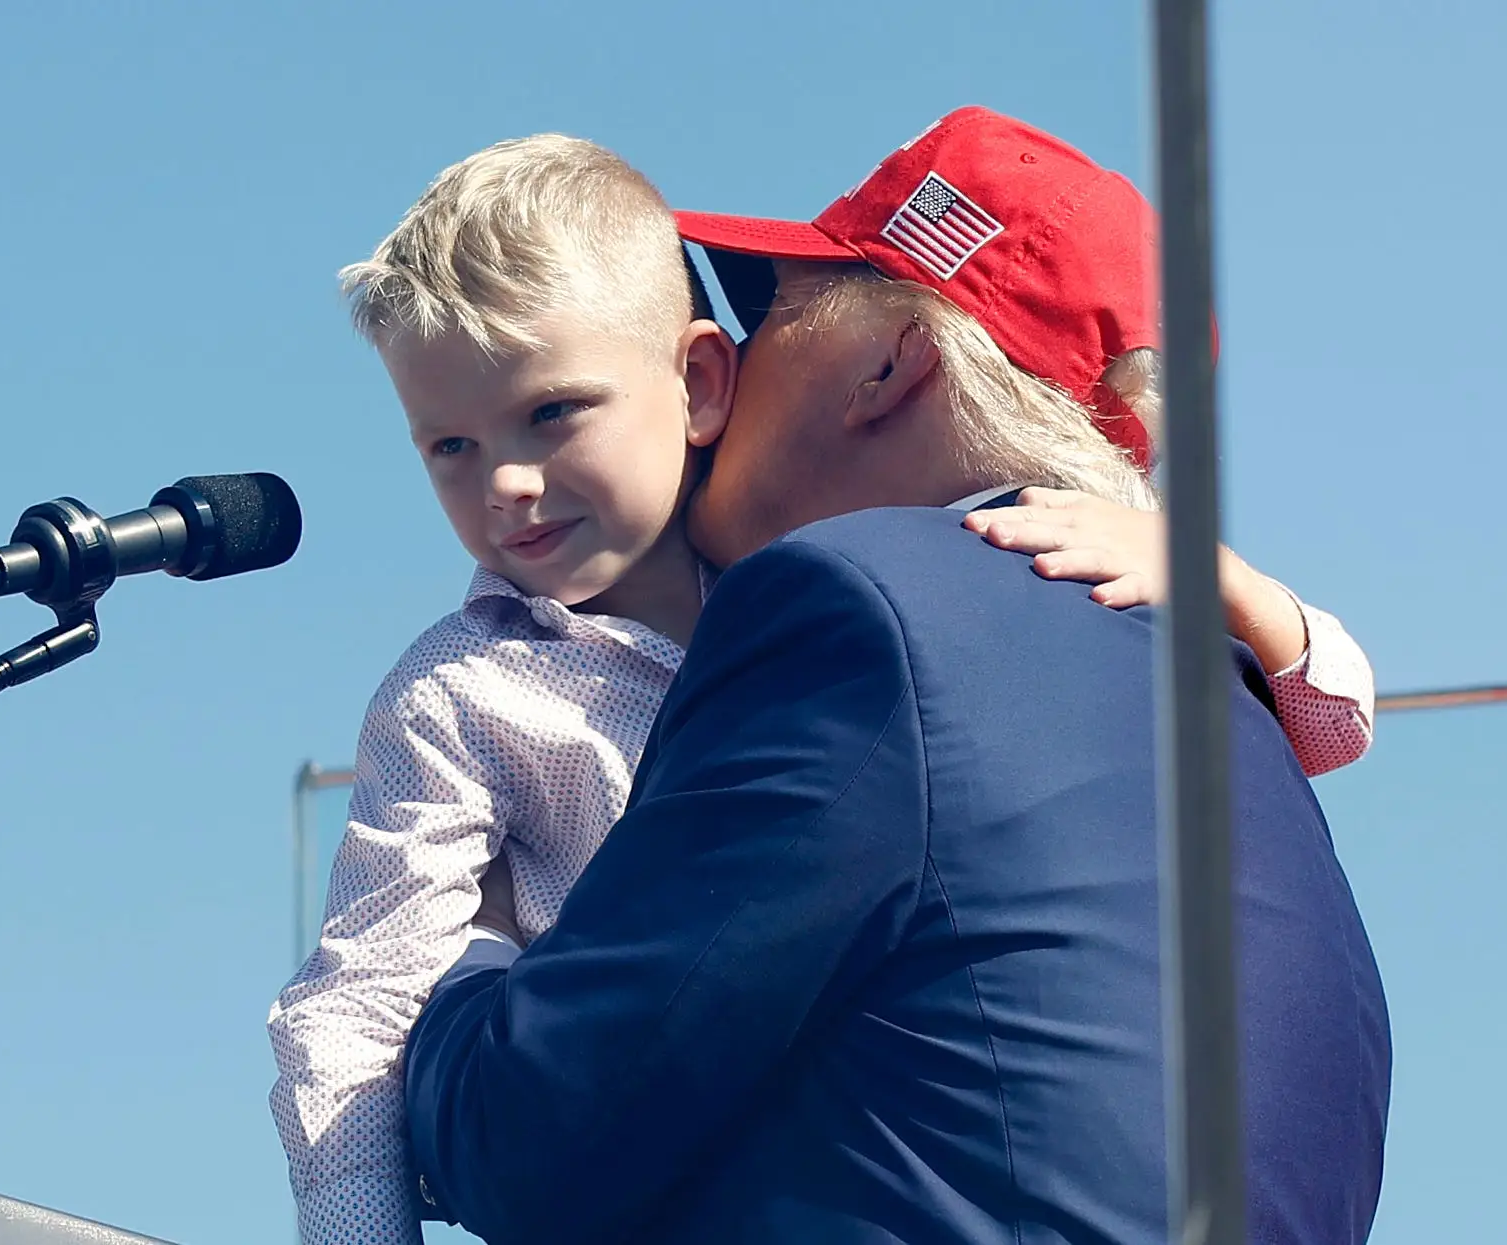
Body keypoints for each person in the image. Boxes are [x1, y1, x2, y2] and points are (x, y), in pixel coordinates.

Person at [270, 114, 1381, 1245]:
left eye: (780, 310)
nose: (741, 354)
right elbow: (352, 1010)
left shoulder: (846, 617)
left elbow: (534, 1127)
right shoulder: (1166, 674)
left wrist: (483, 945)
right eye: (446, 446)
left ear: (890, 366)